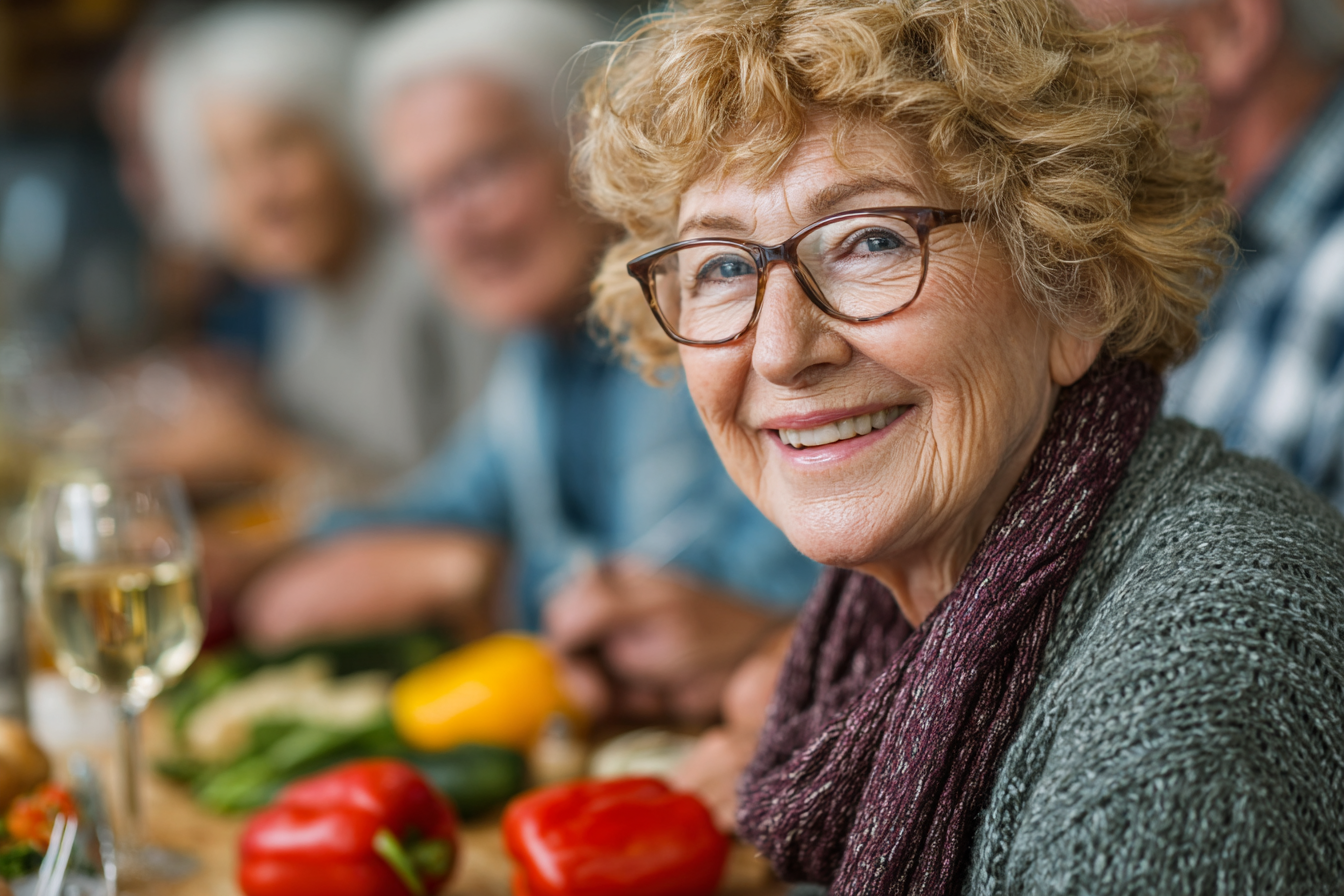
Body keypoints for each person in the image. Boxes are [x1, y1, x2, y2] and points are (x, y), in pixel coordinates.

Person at [577, 0, 1344, 890]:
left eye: (870, 241)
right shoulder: (891, 628)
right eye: (720, 265)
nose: (782, 350)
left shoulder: (1178, 724)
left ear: (1076, 285)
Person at [237, 0, 820, 724]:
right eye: (418, 199)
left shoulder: (701, 323)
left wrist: (482, 575)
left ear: (596, 143)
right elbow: (444, 504)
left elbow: (688, 604)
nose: (454, 228)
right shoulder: (542, 353)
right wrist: (256, 549)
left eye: (481, 170)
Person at [127, 2, 495, 492]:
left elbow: (472, 513)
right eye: (226, 166)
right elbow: (331, 445)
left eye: (279, 147)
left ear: (352, 133)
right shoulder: (306, 291)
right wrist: (247, 408)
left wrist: (266, 455)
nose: (259, 193)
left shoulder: (443, 274)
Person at [1076, 0, 1344, 508]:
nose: (1054, 105)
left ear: (1233, 31)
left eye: (1089, 52)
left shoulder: (1329, 269)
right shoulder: (1201, 239)